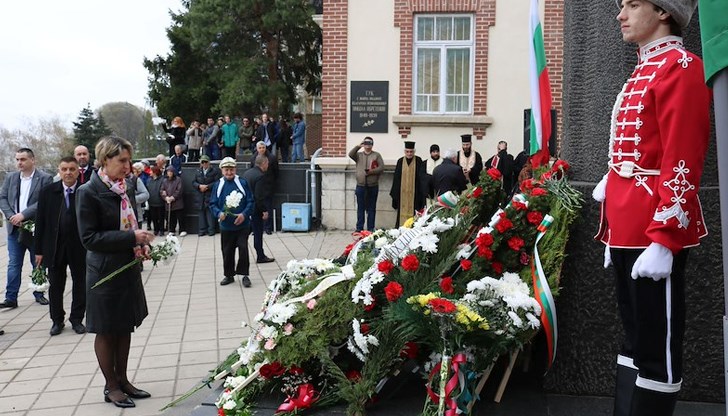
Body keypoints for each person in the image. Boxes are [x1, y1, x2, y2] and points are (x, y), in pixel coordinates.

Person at [593, 1, 710, 415]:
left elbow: (683, 158)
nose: (621, 14)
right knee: (635, 336)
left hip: (654, 227)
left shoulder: (682, 67)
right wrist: (613, 194)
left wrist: (665, 239)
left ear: (663, 11)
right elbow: (636, 149)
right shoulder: (644, 67)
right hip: (626, 225)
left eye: (633, 4)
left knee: (657, 345)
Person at [76, 136, 154, 408]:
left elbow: (130, 223)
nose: (127, 166)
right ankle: (111, 386)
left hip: (126, 267)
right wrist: (132, 238)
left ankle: (123, 380)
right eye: (122, 160)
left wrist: (141, 244)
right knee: (107, 330)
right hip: (104, 272)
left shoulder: (124, 187)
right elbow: (89, 238)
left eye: (129, 160)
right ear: (104, 160)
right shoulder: (88, 191)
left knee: (124, 326)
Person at [34, 156, 87, 336]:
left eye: (72, 169)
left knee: (80, 282)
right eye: (64, 169)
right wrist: (38, 250)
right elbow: (40, 222)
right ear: (59, 171)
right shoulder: (48, 192)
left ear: (78, 171)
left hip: (79, 246)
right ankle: (57, 320)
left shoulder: (84, 191)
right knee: (56, 284)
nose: (68, 173)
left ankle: (77, 319)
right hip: (54, 246)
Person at [0, 148, 53, 308]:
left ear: (32, 160)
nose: (19, 163)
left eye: (23, 159)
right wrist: (11, 216)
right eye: (17, 159)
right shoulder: (11, 177)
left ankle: (39, 293)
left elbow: (43, 201)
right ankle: (11, 298)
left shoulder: (45, 178)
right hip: (14, 228)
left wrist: (23, 215)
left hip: (34, 228)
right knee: (14, 264)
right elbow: (3, 197)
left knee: (37, 263)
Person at [209, 157, 255, 287]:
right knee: (227, 250)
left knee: (243, 248)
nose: (229, 172)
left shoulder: (242, 183)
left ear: (235, 169)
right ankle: (229, 275)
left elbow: (250, 201)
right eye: (226, 170)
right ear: (222, 171)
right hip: (226, 226)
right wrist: (219, 213)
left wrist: (244, 214)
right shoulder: (218, 185)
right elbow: (212, 203)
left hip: (242, 225)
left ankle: (244, 274)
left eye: (231, 169)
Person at [243, 155, 276, 264]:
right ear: (263, 163)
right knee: (257, 233)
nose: (268, 166)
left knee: (245, 233)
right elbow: (259, 196)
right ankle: (260, 256)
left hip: (246, 208)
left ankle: (240, 250)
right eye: (267, 163)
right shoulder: (261, 176)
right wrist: (264, 210)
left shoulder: (247, 173)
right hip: (255, 209)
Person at [348, 137, 384, 234]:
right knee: (361, 208)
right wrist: (358, 146)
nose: (368, 145)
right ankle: (359, 228)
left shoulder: (376, 155)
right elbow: (350, 154)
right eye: (366, 143)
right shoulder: (358, 155)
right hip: (361, 186)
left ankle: (370, 228)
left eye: (369, 143)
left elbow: (381, 168)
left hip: (373, 186)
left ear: (372, 144)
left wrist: (372, 171)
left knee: (371, 208)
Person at [390, 141, 428, 228]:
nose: (409, 153)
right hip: (402, 195)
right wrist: (395, 194)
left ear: (414, 152)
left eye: (411, 152)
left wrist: (422, 194)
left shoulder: (418, 161)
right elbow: (396, 179)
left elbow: (421, 178)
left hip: (415, 195)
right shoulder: (400, 161)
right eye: (407, 151)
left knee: (415, 216)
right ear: (404, 151)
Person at [250, 142, 278, 234]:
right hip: (256, 187)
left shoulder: (272, 158)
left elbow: (276, 172)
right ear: (257, 149)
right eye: (260, 148)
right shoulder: (253, 158)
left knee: (268, 206)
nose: (262, 149)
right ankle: (256, 228)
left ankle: (267, 227)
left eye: (263, 147)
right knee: (256, 207)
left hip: (268, 186)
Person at [192, 155, 221, 236]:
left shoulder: (214, 171)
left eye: (205, 162)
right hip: (200, 195)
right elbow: (193, 182)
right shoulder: (198, 171)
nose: (204, 164)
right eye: (202, 162)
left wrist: (207, 186)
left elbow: (217, 182)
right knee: (201, 213)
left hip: (210, 194)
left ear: (209, 162)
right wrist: (199, 186)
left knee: (210, 213)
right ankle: (202, 230)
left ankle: (211, 230)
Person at [160, 167, 186, 237]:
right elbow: (162, 190)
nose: (169, 173)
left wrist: (173, 197)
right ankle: (172, 230)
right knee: (171, 217)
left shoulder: (178, 180)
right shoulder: (165, 181)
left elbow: (179, 190)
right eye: (168, 172)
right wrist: (165, 197)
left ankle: (182, 230)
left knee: (180, 217)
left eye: (171, 172)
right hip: (168, 202)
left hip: (177, 202)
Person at [146, 166, 165, 236]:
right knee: (154, 217)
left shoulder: (162, 180)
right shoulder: (149, 180)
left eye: (151, 171)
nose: (150, 172)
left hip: (160, 201)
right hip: (151, 201)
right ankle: (156, 229)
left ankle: (161, 229)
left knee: (161, 217)